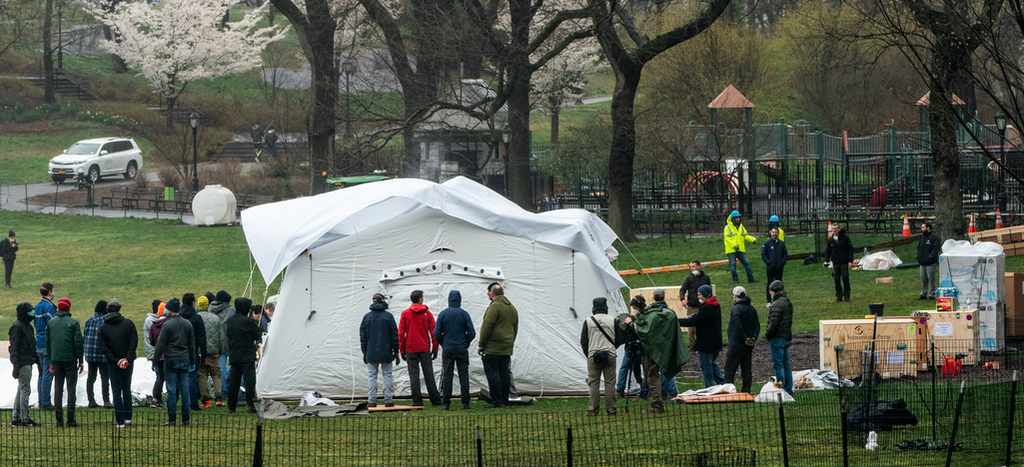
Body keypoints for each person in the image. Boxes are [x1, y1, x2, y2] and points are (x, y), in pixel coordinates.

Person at [622, 289, 689, 414]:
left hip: (651, 352)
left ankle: (656, 405)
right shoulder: (666, 313)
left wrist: (632, 324)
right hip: (661, 349)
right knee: (656, 377)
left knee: (652, 378)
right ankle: (662, 398)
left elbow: (645, 332)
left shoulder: (651, 315)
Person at [153, 298, 195, 426]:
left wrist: (155, 360)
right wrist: (192, 359)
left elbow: (160, 344)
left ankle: (172, 419)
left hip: (170, 359)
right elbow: (192, 344)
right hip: (184, 359)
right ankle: (186, 418)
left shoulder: (167, 325)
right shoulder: (187, 324)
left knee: (171, 390)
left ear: (170, 310)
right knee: (185, 389)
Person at [98, 298, 138, 428]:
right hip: (128, 361)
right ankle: (128, 418)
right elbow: (133, 342)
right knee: (126, 388)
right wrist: (126, 358)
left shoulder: (103, 327)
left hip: (112, 362)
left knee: (116, 389)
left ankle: (120, 420)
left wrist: (116, 360)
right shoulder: (129, 323)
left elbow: (104, 348)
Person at [433, 290, 476, 411]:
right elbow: (472, 333)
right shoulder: (464, 314)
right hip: (461, 347)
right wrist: (466, 343)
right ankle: (466, 403)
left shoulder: (443, 314)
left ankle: (446, 403)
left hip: (448, 348)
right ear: (459, 300)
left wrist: (443, 343)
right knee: (464, 375)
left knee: (447, 375)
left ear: (449, 300)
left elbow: (436, 333)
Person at [398, 290, 441, 407]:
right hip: (424, 347)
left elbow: (401, 333)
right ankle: (435, 399)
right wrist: (435, 348)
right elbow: (434, 332)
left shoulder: (405, 314)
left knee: (414, 375)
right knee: (429, 374)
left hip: (411, 348)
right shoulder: (427, 313)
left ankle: (417, 400)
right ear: (420, 299)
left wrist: (401, 350)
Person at [478, 284, 518, 409]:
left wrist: (481, 344)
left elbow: (486, 327)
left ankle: (496, 400)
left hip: (493, 347)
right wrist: (510, 342)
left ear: (493, 293)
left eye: (489, 292)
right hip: (507, 347)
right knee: (504, 373)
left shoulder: (494, 307)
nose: (487, 294)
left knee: (493, 373)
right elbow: (515, 327)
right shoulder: (512, 308)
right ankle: (504, 399)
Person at [580, 297, 622, 416]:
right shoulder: (613, 320)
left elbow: (584, 341)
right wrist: (612, 348)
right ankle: (611, 410)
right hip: (609, 354)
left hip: (593, 355)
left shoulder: (588, 321)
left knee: (593, 383)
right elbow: (619, 338)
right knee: (610, 383)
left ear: (594, 307)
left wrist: (588, 354)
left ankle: (593, 410)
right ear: (606, 307)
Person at [46, 297, 84, 428]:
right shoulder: (73, 323)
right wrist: (80, 359)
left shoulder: (51, 323)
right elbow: (78, 343)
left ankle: (59, 420)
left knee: (58, 388)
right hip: (70, 360)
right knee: (71, 388)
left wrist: (51, 359)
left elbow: (48, 343)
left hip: (56, 359)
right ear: (68, 308)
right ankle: (70, 419)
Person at [677, 285, 724, 388]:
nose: (698, 296)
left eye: (699, 294)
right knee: (712, 364)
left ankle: (710, 387)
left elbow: (694, 321)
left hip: (706, 343)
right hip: (715, 341)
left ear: (705, 295)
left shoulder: (706, 308)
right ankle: (723, 383)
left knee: (705, 366)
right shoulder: (715, 305)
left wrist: (677, 321)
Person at [360, 293, 399, 408]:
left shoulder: (367, 317)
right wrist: (396, 351)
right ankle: (388, 400)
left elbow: (363, 336)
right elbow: (394, 335)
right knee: (387, 375)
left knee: (372, 375)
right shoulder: (389, 316)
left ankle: (372, 400)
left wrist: (364, 351)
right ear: (382, 301)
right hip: (386, 351)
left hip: (371, 351)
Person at [225, 297, 263, 414]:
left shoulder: (230, 321)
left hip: (234, 355)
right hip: (247, 355)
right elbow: (257, 336)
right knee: (249, 381)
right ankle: (251, 405)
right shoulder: (248, 321)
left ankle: (231, 406)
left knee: (234, 381)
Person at [722, 287, 760, 394]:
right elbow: (757, 325)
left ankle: (729, 391)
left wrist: (744, 338)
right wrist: (753, 337)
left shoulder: (736, 309)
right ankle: (746, 391)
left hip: (737, 344)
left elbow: (737, 326)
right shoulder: (752, 309)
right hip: (748, 346)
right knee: (746, 369)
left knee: (730, 369)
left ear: (735, 296)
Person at [9, 302, 39, 426]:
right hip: (23, 362)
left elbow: (32, 345)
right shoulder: (17, 327)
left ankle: (16, 417)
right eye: (29, 312)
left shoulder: (27, 326)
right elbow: (14, 348)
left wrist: (37, 360)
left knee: (21, 389)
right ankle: (25, 418)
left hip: (27, 361)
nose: (32, 314)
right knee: (25, 390)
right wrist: (15, 365)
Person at [765, 281, 794, 395]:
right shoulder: (787, 301)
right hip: (786, 336)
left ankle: (780, 390)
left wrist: (768, 334)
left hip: (777, 338)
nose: (770, 293)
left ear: (774, 291)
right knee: (786, 364)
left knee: (778, 365)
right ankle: (788, 389)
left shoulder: (777, 304)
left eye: (770, 291)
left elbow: (774, 323)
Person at [83, 299, 112, 409]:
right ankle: (106, 400)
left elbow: (84, 336)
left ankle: (91, 400)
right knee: (105, 376)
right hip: (102, 354)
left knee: (91, 377)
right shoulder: (106, 321)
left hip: (90, 354)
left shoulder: (89, 320)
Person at [180, 293, 207, 412]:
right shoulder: (196, 318)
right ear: (193, 303)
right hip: (192, 351)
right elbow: (202, 337)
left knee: (179, 378)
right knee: (192, 378)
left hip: (179, 351)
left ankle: (179, 402)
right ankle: (193, 403)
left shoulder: (178, 316)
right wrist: (204, 354)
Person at [197, 295, 224, 407]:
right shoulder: (215, 318)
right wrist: (220, 350)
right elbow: (221, 337)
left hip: (200, 352)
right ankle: (218, 399)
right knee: (216, 375)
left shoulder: (196, 318)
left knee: (202, 375)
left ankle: (205, 401)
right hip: (214, 352)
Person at [209, 290, 235, 404]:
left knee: (220, 369)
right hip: (230, 342)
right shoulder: (231, 311)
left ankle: (222, 392)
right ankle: (230, 390)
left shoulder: (210, 310)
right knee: (234, 367)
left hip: (216, 344)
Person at [35, 282, 57, 411]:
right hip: (47, 344)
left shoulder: (38, 306)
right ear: (50, 292)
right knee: (49, 372)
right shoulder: (49, 307)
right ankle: (46, 402)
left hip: (39, 342)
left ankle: (41, 400)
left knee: (42, 373)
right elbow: (51, 327)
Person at [679, 259, 711, 347]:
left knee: (702, 326)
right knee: (691, 329)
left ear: (698, 266)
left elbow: (709, 290)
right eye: (691, 267)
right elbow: (682, 289)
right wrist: (682, 299)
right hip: (692, 306)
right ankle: (692, 346)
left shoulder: (705, 278)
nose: (692, 268)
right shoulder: (689, 278)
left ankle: (702, 344)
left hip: (702, 306)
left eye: (693, 266)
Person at [723, 211, 758, 284]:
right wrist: (734, 245)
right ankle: (735, 280)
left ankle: (750, 278)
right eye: (736, 218)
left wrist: (753, 239)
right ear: (732, 219)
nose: (738, 219)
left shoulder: (741, 227)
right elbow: (727, 239)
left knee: (747, 264)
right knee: (733, 266)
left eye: (739, 218)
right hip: (731, 250)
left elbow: (745, 236)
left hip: (740, 249)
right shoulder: (727, 228)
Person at [824, 225, 854, 302]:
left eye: (836, 228)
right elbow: (828, 251)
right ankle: (839, 296)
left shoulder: (845, 239)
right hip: (835, 263)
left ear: (839, 229)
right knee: (836, 280)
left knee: (845, 279)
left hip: (844, 262)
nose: (834, 230)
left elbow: (850, 250)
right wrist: (826, 260)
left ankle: (846, 296)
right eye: (833, 228)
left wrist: (850, 261)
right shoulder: (830, 240)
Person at [148, 301, 169, 407]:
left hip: (158, 355)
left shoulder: (153, 325)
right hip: (168, 354)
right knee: (170, 377)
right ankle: (171, 399)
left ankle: (155, 398)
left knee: (160, 377)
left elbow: (151, 341)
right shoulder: (168, 323)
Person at [761, 227, 788, 307]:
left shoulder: (781, 243)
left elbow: (785, 254)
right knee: (770, 284)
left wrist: (782, 262)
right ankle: (769, 301)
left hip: (779, 267)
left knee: (779, 284)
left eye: (776, 232)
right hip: (770, 268)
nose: (774, 234)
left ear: (778, 233)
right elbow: (763, 255)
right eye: (773, 232)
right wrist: (769, 262)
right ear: (770, 233)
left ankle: (779, 300)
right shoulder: (766, 243)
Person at [917, 222, 941, 300]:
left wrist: (930, 257)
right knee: (923, 279)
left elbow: (936, 249)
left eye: (923, 227)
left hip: (930, 263)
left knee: (931, 279)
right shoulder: (923, 238)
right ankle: (923, 293)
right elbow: (919, 248)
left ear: (928, 228)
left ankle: (931, 293)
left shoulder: (934, 237)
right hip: (922, 262)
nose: (922, 229)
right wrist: (918, 257)